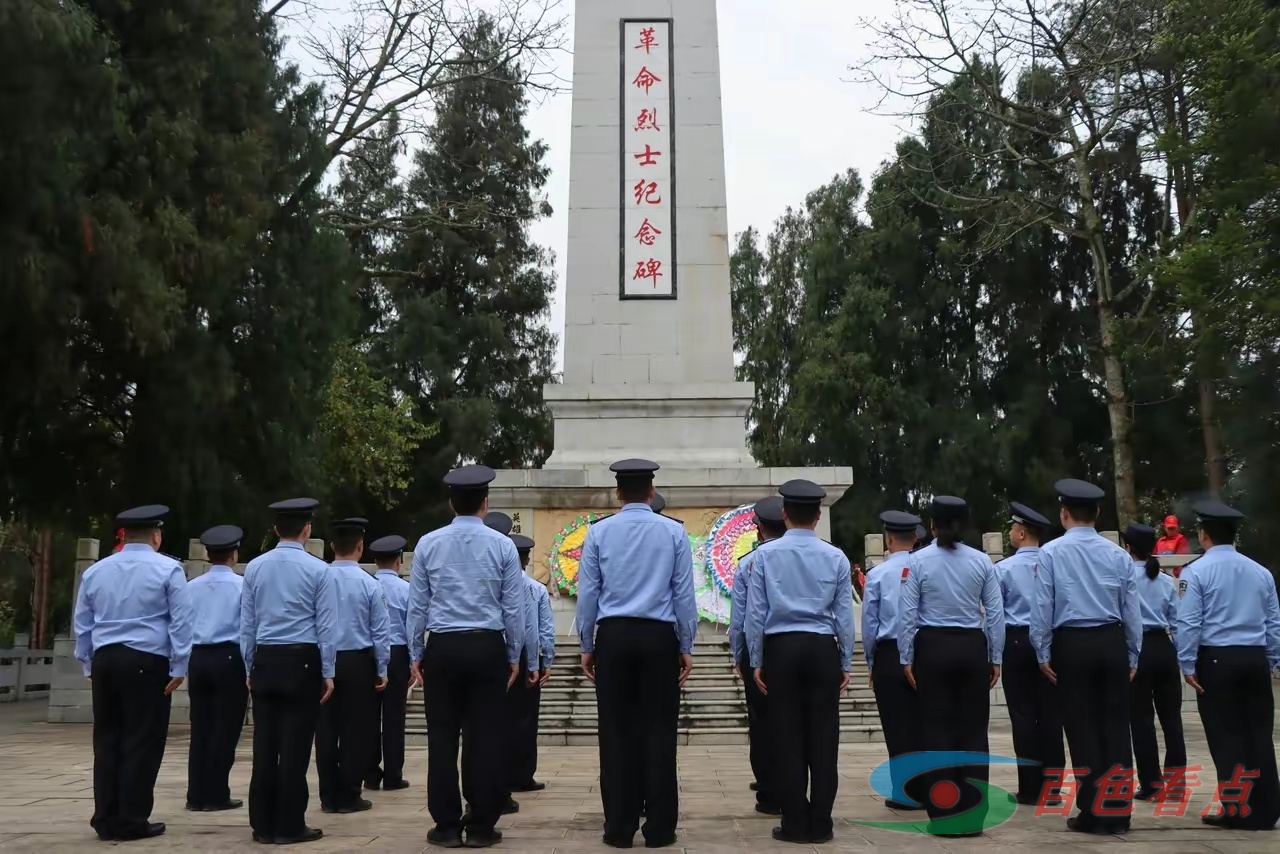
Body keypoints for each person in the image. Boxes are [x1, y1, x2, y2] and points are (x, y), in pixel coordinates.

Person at [576, 459, 697, 849]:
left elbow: (588, 595)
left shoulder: (599, 534)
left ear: (618, 493)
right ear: (651, 492)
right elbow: (683, 595)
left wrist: (586, 645)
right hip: (659, 638)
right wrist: (686, 645)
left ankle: (619, 827)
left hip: (613, 637)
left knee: (615, 734)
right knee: (659, 734)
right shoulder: (673, 533)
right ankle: (660, 828)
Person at [408, 465, 525, 849]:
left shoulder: (428, 543)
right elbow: (513, 608)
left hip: (443, 646)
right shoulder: (503, 546)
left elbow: (417, 606)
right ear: (484, 503)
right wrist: (513, 654)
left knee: (442, 739)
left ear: (451, 502)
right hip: (486, 645)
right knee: (484, 738)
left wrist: (416, 652)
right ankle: (480, 825)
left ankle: (445, 824)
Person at [74, 505, 193, 842]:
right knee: (142, 739)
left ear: (124, 536)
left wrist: (87, 661)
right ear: (156, 536)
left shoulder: (97, 571)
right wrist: (180, 664)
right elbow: (181, 621)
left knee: (107, 738)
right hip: (146, 660)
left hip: (106, 659)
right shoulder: (169, 569)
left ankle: (105, 816)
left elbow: (83, 621)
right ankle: (132, 817)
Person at [1030, 479, 1142, 836]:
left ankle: (1093, 811)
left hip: (1072, 643)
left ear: (1064, 514)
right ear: (1097, 514)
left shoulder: (1050, 553)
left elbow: (1042, 606)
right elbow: (1132, 610)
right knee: (1115, 728)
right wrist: (1132, 653)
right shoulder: (1118, 554)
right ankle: (1119, 810)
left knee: (1081, 730)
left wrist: (1042, 650)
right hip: (1111, 640)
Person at [746, 480, 855, 845]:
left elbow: (756, 614)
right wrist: (845, 661)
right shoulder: (836, 556)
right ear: (818, 514)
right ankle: (821, 822)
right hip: (822, 647)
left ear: (785, 514)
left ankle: (794, 822)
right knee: (824, 740)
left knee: (787, 739)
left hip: (782, 649)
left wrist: (757, 659)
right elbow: (844, 617)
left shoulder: (764, 556)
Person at [898, 496, 1003, 838]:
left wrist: (906, 656)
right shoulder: (982, 561)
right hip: (972, 647)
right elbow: (995, 613)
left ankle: (943, 813)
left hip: (933, 647)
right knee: (974, 733)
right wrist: (995, 656)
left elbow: (907, 615)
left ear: (931, 525)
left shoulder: (918, 561)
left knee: (937, 732)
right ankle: (973, 813)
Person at [1176, 500, 1280, 830]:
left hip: (1217, 660)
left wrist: (1187, 663)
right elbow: (1273, 622)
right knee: (1259, 733)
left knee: (1227, 736)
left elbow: (1189, 622)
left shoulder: (1197, 571)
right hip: (1254, 658)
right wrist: (1274, 659)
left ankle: (1237, 808)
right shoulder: (1260, 571)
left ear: (1203, 534)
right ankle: (1267, 808)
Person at [241, 498, 338, 846]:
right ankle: (289, 823)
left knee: (264, 745)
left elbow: (247, 623)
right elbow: (326, 626)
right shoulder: (318, 570)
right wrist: (328, 671)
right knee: (295, 747)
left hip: (265, 657)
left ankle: (262, 822)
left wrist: (249, 663)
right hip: (302, 659)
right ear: (307, 529)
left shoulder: (254, 568)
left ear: (276, 530)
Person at [316, 517, 390, 815]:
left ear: (333, 546)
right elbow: (380, 631)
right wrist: (381, 669)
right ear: (360, 547)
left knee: (325, 730)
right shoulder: (369, 584)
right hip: (357, 662)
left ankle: (327, 794)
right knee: (355, 732)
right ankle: (349, 794)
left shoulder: (317, 578)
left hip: (324, 660)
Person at [996, 502, 1064, 807]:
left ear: (1022, 533)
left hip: (1017, 642)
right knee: (1052, 715)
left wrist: (994, 653)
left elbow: (996, 615)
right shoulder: (1056, 565)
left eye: (1012, 528)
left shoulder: (1003, 569)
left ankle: (1029, 787)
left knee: (1022, 715)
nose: (1011, 532)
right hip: (1052, 639)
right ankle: (1052, 786)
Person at [860, 510, 925, 812]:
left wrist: (871, 661)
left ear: (888, 539)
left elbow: (870, 624)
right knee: (929, 722)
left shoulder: (877, 574)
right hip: (925, 649)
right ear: (915, 538)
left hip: (889, 651)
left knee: (896, 726)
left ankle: (905, 792)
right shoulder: (927, 568)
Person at [727, 496, 787, 815]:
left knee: (762, 723)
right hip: (805, 647)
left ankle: (768, 791)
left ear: (759, 527)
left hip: (760, 650)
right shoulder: (812, 556)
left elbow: (742, 618)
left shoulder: (749, 563)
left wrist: (741, 655)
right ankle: (794, 789)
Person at [185, 524, 249, 813]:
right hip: (229, 657)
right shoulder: (242, 586)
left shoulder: (191, 587)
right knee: (225, 728)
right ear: (234, 554)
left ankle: (196, 793)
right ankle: (216, 792)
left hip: (198, 658)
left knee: (200, 726)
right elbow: (248, 629)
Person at [1121, 522, 1185, 802]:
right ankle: (1177, 782)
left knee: (1141, 720)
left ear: (1128, 548)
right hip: (1164, 647)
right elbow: (1178, 621)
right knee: (1172, 718)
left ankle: (1151, 784)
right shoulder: (1165, 580)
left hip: (1138, 650)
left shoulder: (1124, 578)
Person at [480, 511, 533, 817]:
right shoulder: (503, 556)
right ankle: (493, 800)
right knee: (492, 729)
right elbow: (514, 613)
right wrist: (515, 656)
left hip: (449, 644)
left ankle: (453, 816)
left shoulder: (436, 545)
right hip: (492, 647)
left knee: (461, 737)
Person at [365, 534, 413, 792]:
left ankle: (371, 774)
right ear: (399, 561)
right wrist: (416, 659)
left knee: (370, 716)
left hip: (370, 653)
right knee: (395, 717)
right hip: (398, 653)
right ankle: (394, 774)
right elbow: (413, 626)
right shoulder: (406, 590)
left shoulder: (367, 584)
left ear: (375, 561)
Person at [512, 532, 555, 793]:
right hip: (528, 657)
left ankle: (501, 773)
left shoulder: (497, 585)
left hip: (500, 655)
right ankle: (523, 775)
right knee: (526, 719)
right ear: (527, 560)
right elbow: (543, 630)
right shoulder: (536, 589)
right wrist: (543, 661)